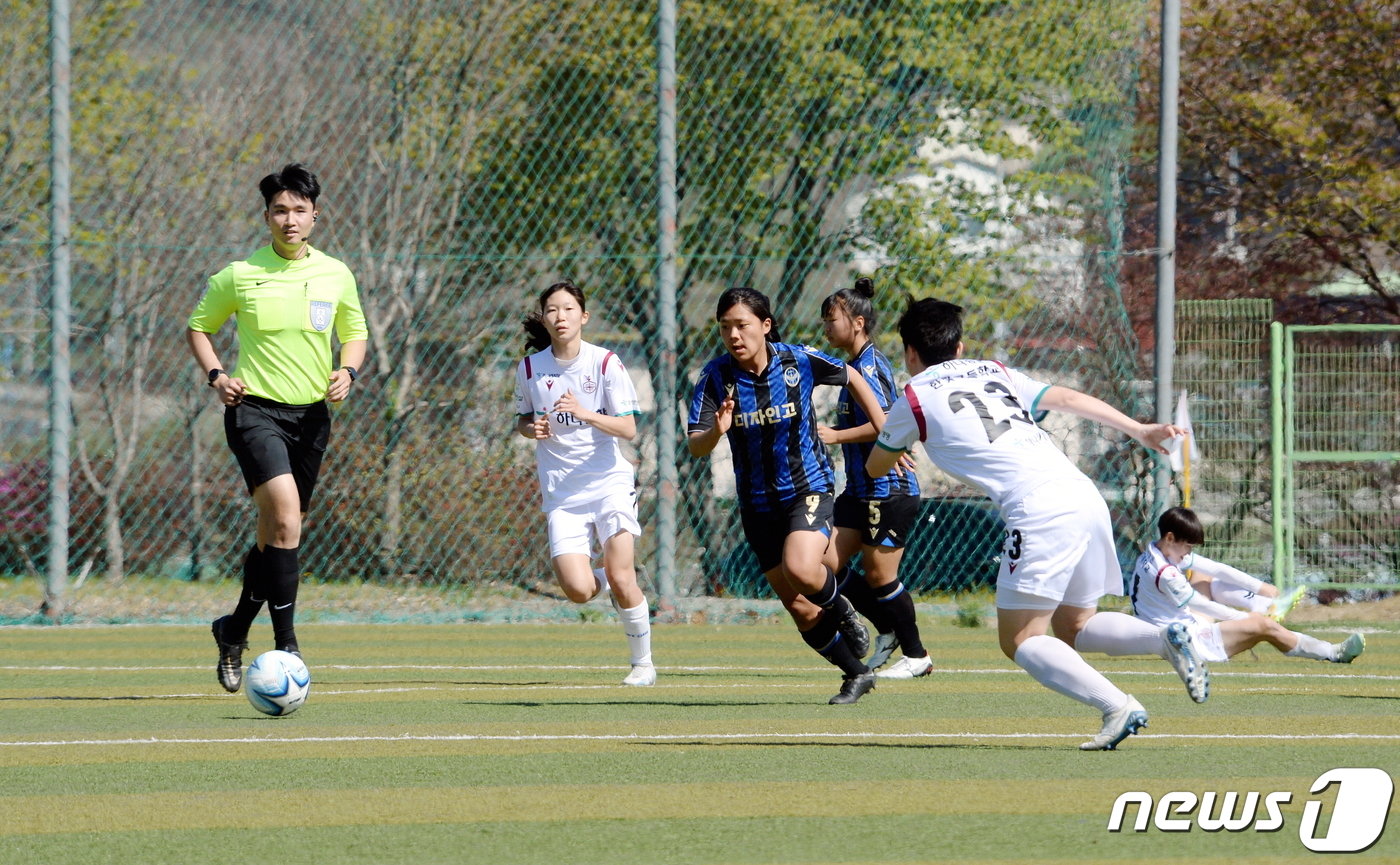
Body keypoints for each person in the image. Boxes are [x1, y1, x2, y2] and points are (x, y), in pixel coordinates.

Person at [868, 297, 1204, 750]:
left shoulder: (912, 396)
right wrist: (1140, 429)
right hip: (1081, 493)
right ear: (960, 344)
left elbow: (875, 466)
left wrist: (889, 442)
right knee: (1076, 626)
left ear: (909, 353)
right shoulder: (994, 371)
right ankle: (1165, 637)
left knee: (1022, 640)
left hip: (1038, 509)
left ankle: (1117, 706)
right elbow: (1066, 398)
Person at [187, 163, 368, 693]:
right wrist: (218, 376)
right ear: (267, 216)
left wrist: (347, 370)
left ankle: (234, 628)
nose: (290, 219)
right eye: (280, 210)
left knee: (280, 535)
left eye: (299, 210)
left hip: (312, 417)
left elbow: (353, 332)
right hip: (254, 411)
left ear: (315, 215)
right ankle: (288, 646)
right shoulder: (240, 274)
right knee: (285, 515)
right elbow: (200, 327)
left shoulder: (336, 273)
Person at [688, 286, 887, 705]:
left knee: (802, 567)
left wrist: (884, 426)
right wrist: (716, 431)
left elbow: (851, 375)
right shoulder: (715, 376)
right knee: (799, 607)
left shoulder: (797, 360)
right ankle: (858, 675)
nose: (734, 336)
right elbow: (695, 445)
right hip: (757, 504)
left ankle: (845, 611)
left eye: (742, 325)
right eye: (725, 328)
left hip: (806, 488)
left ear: (765, 325)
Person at [513, 281, 655, 686]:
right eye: (553, 310)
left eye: (569, 309)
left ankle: (642, 664)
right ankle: (606, 577)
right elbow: (523, 419)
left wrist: (585, 412)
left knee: (625, 575)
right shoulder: (529, 368)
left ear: (583, 317)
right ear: (544, 318)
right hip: (563, 494)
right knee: (577, 589)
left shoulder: (606, 363)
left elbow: (628, 427)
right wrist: (532, 428)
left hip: (608, 483)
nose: (561, 317)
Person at [816, 277, 931, 679]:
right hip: (860, 489)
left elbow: (888, 424)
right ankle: (887, 630)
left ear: (859, 323)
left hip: (889, 488)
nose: (826, 328)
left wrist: (836, 435)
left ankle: (917, 655)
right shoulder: (848, 368)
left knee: (882, 575)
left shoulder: (871, 365)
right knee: (821, 565)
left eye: (832, 320)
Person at [1129, 507, 1365, 667]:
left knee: (1203, 575)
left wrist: (1262, 587)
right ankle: (1333, 652)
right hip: (1185, 642)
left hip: (1177, 625)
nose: (1189, 552)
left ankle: (1263, 604)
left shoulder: (1157, 551)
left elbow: (1216, 569)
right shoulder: (1166, 572)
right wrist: (1241, 618)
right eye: (1188, 546)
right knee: (1263, 626)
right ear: (1170, 538)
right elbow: (1198, 603)